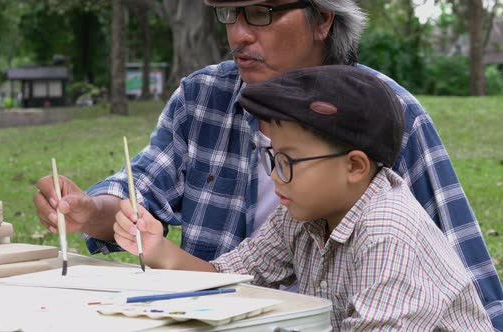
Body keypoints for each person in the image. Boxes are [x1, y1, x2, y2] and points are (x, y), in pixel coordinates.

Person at [33, 0, 503, 327]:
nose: (238, 33)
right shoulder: (204, 100)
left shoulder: (389, 120)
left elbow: (472, 281)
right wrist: (99, 216)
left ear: (322, 19)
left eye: (261, 13)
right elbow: (220, 266)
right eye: (229, 14)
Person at [112, 65, 493, 331]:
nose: (275, 175)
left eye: (289, 161)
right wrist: (157, 248)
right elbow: (225, 279)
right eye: (272, 157)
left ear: (355, 166)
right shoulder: (300, 214)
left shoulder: (387, 233)